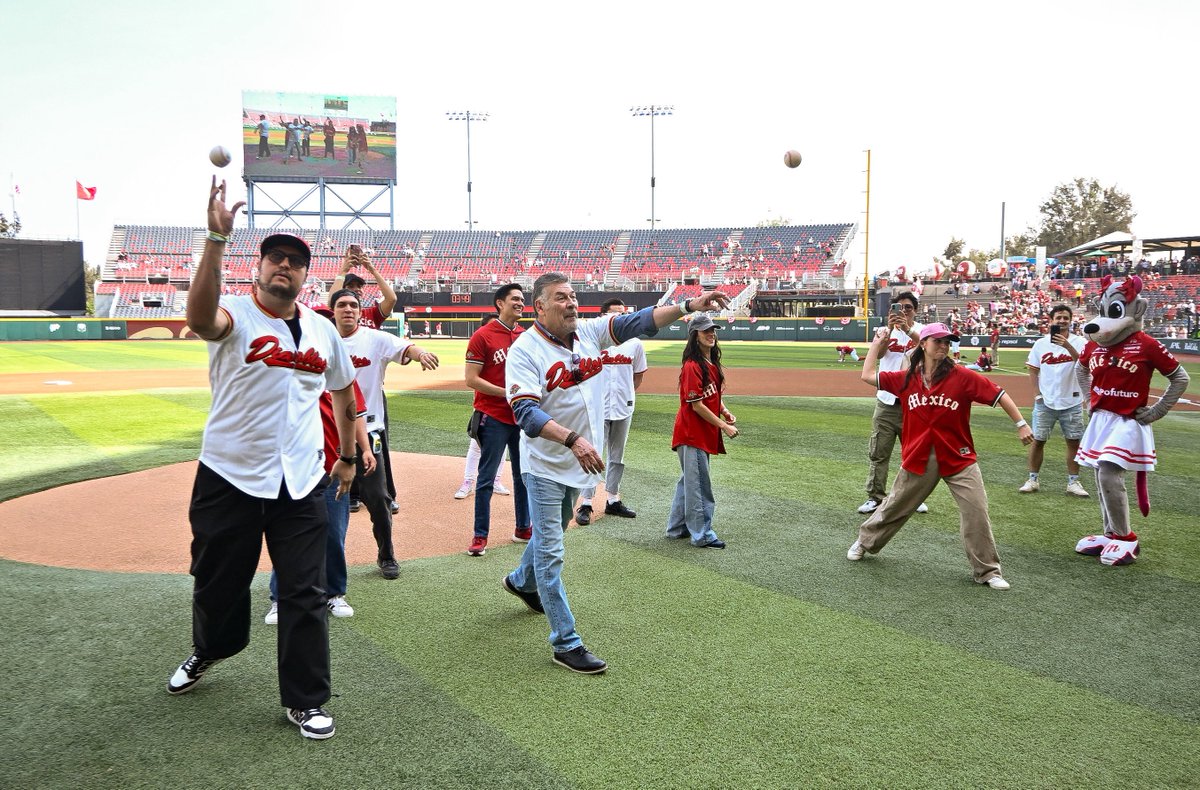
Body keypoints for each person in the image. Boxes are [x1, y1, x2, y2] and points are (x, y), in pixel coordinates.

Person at [166, 178, 358, 741]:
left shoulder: (323, 329)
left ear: (305, 274)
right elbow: (201, 320)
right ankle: (209, 649)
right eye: (276, 258)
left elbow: (345, 392)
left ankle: (306, 699)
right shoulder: (234, 314)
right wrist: (214, 240)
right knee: (217, 582)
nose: (285, 267)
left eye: (295, 262)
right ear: (260, 266)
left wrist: (347, 456)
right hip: (229, 475)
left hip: (299, 480)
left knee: (306, 591)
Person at [501, 273, 730, 674]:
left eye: (573, 296)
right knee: (552, 550)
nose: (571, 303)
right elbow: (525, 412)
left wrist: (690, 306)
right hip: (545, 464)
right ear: (538, 306)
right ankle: (566, 642)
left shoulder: (588, 331)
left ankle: (521, 581)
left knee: (552, 530)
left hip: (580, 463)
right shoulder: (525, 349)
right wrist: (574, 440)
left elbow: (635, 322)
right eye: (560, 298)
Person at [848, 323, 1033, 590]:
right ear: (923, 344)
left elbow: (999, 394)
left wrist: (1021, 424)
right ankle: (865, 542)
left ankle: (988, 571)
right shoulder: (906, 378)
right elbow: (867, 375)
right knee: (896, 506)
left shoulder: (962, 376)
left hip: (959, 457)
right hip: (920, 456)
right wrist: (878, 342)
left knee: (976, 510)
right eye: (938, 341)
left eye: (948, 342)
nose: (944, 346)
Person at [266, 314, 373, 623]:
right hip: (294, 467)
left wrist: (361, 451)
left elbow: (356, 417)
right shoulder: (288, 373)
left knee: (333, 533)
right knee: (285, 535)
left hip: (332, 467)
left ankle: (334, 592)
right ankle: (281, 597)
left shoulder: (344, 376)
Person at [330, 287, 439, 578]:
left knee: (378, 497)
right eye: (342, 305)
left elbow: (405, 348)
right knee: (321, 499)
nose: (349, 310)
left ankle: (387, 554)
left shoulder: (374, 339)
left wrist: (422, 353)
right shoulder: (322, 341)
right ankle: (319, 562)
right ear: (333, 311)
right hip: (327, 433)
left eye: (354, 305)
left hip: (371, 430)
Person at [464, 284, 531, 555]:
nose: (520, 303)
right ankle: (480, 535)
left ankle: (523, 527)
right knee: (486, 477)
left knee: (522, 475)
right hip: (492, 416)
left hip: (521, 416)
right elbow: (471, 379)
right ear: (500, 303)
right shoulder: (483, 335)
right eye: (515, 299)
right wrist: (508, 393)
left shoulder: (525, 335)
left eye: (522, 299)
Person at [574, 298, 648, 525]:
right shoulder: (592, 342)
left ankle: (613, 500)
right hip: (597, 407)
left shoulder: (634, 343)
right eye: (615, 314)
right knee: (593, 454)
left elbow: (638, 375)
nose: (620, 318)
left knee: (618, 457)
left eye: (623, 314)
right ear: (603, 316)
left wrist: (627, 395)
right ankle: (586, 503)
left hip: (624, 406)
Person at [667, 313, 738, 548]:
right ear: (694, 336)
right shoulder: (692, 366)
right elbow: (696, 405)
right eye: (705, 330)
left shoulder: (711, 364)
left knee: (689, 481)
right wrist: (724, 426)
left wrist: (724, 411)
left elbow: (713, 396)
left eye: (713, 330)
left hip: (700, 433)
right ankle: (702, 534)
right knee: (699, 486)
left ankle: (677, 528)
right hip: (692, 433)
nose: (711, 334)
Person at [859, 292, 928, 516]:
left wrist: (907, 329)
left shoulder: (923, 332)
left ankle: (913, 498)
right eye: (899, 308)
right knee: (879, 451)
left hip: (914, 401)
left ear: (915, 310)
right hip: (887, 400)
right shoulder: (883, 331)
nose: (903, 311)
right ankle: (875, 497)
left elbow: (927, 350)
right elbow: (878, 355)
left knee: (914, 453)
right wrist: (888, 332)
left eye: (908, 308)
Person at [1020, 305, 1089, 497]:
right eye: (1058, 318)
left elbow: (1085, 365)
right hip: (1046, 402)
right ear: (1051, 320)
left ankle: (1073, 482)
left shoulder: (1080, 342)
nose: (1062, 321)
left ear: (1071, 320)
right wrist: (1037, 395)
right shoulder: (1041, 344)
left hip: (1072, 401)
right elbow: (1033, 370)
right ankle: (1032, 479)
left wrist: (1067, 346)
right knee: (1038, 441)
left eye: (1066, 318)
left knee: (1073, 442)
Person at [330, 246, 396, 330]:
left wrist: (372, 270)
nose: (357, 289)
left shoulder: (372, 313)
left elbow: (392, 299)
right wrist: (343, 271)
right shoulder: (338, 312)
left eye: (359, 286)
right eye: (350, 286)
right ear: (342, 290)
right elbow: (332, 301)